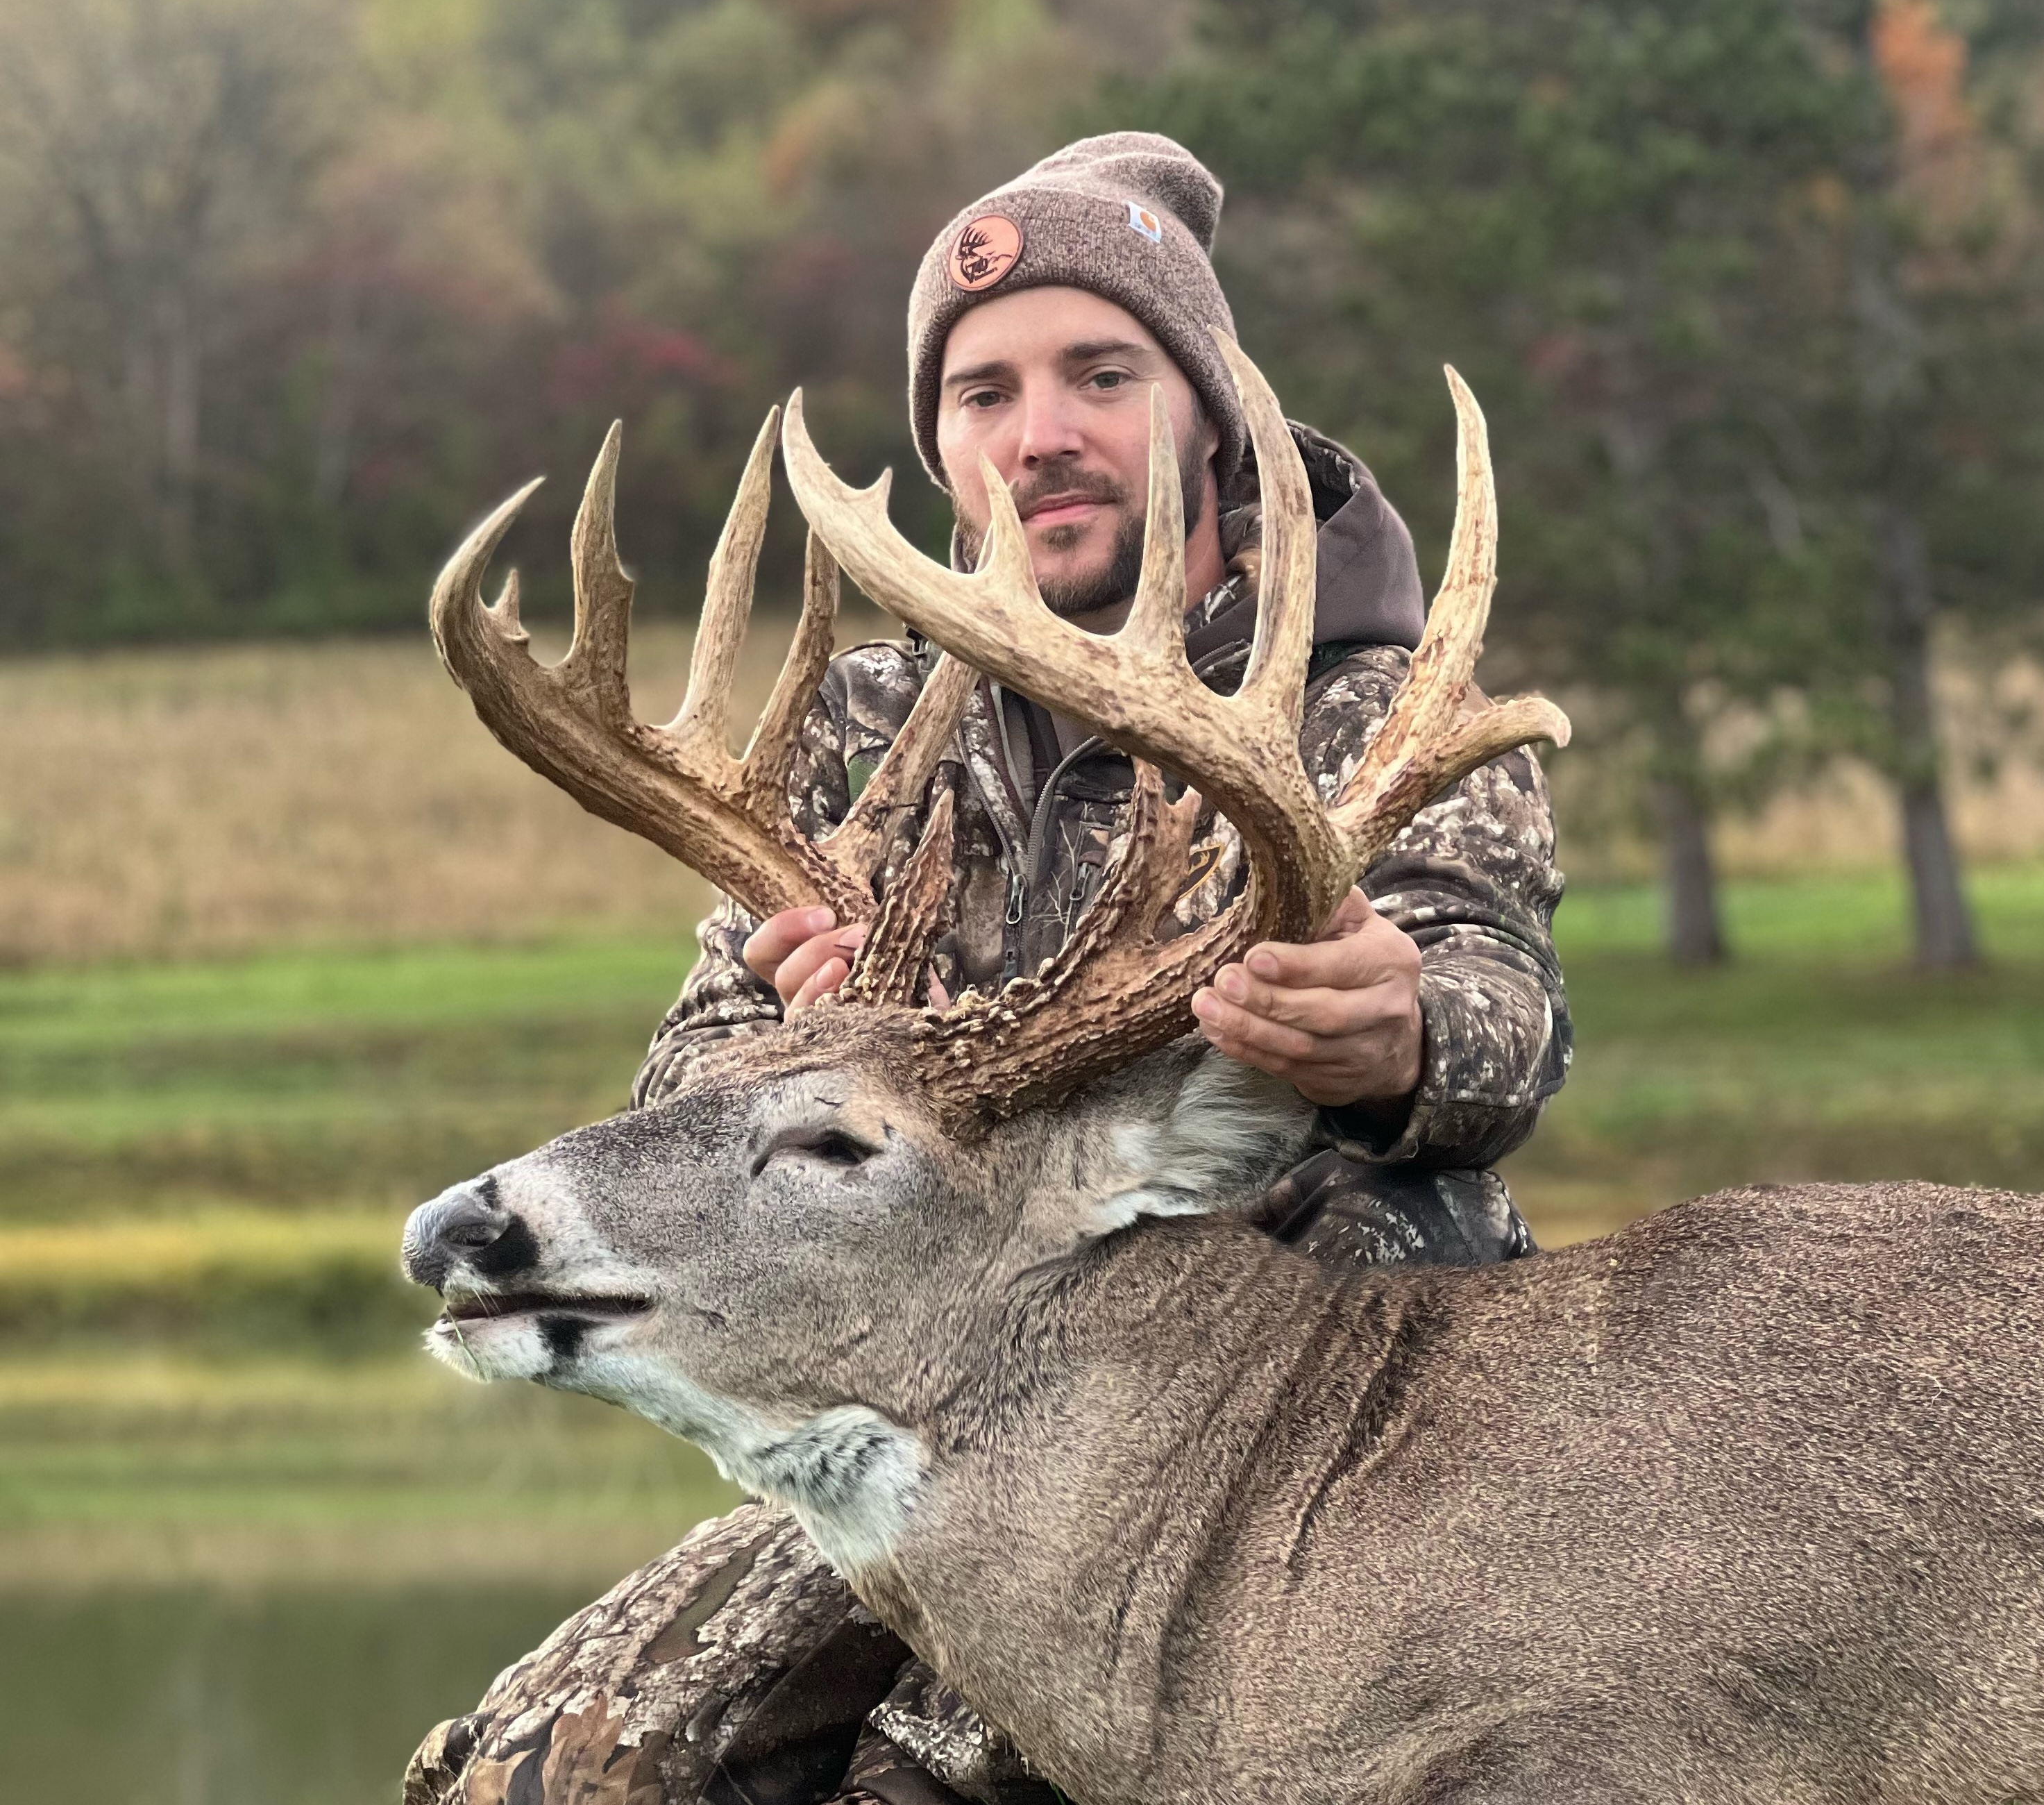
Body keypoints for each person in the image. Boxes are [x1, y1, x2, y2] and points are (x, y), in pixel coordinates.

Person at [410, 133, 1571, 1805]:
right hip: (932, 1389)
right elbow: (691, 1070)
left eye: (1102, 372)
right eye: (983, 396)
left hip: (1292, 1424)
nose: (1044, 435)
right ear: (941, 446)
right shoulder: (873, 727)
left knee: (931, 1784)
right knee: (565, 1766)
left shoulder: (1373, 711)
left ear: (1210, 406)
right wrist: (786, 1034)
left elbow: (1501, 1020)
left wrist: (1395, 1036)